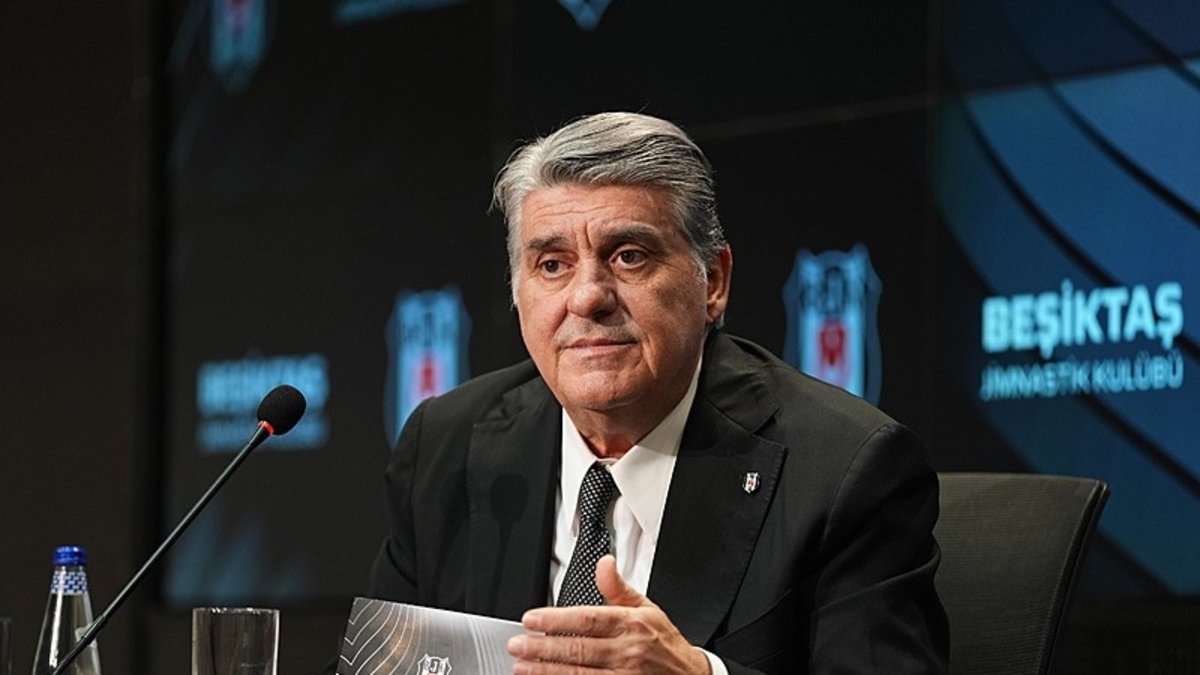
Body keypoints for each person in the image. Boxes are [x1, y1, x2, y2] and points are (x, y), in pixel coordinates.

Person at [367, 112, 948, 674]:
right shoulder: (445, 446)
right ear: (517, 292)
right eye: (552, 264)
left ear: (713, 281)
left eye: (629, 256)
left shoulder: (842, 470)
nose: (587, 297)